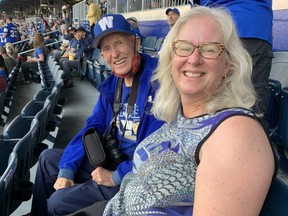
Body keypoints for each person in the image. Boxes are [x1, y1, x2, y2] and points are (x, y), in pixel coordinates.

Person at [68, 6, 276, 216]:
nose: (194, 59)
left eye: (210, 49)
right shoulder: (180, 116)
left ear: (228, 65)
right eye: (184, 47)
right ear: (170, 60)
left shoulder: (235, 133)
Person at [29, 14, 164, 216]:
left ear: (136, 42)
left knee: (58, 202)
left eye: (119, 43)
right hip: (110, 158)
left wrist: (116, 176)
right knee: (48, 159)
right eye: (107, 49)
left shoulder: (158, 82)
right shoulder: (114, 83)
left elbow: (159, 151)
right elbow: (92, 126)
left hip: (134, 176)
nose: (115, 54)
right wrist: (67, 168)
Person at [195, 0, 273, 125]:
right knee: (254, 97)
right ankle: (251, 138)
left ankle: (213, 138)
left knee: (213, 94)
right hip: (255, 24)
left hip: (218, 25)